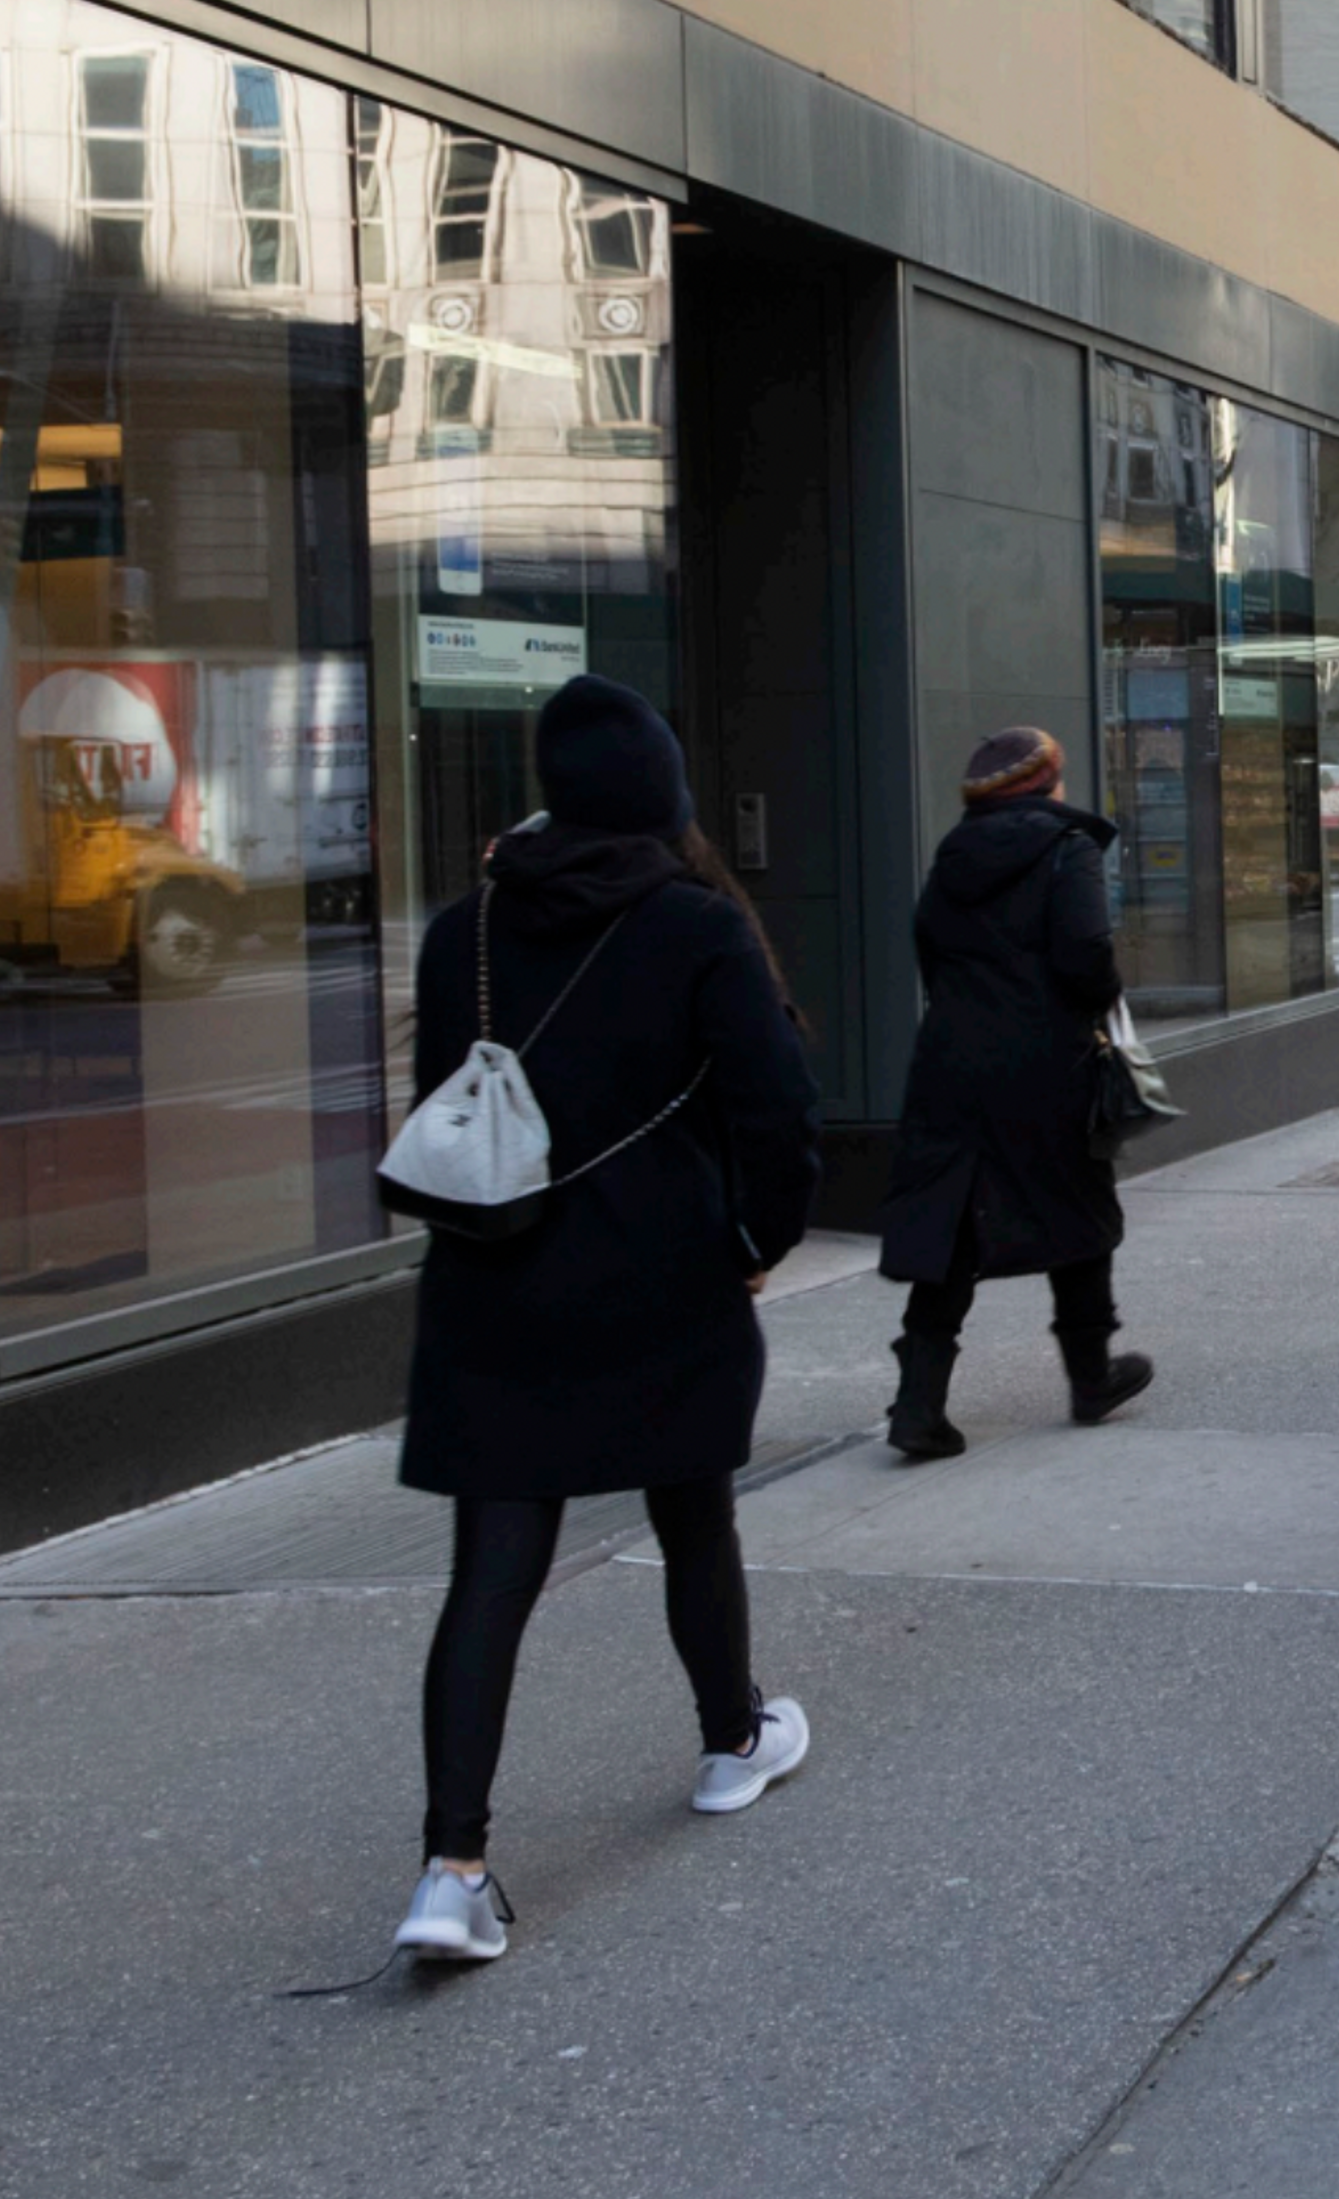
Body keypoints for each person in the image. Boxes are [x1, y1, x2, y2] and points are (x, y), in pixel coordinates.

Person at [392, 676, 822, 1967]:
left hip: (495, 1288)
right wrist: (757, 1244)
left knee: (491, 1572)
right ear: (662, 797)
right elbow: (780, 1112)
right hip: (661, 1280)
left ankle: (451, 1867)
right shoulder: (696, 925)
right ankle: (733, 1737)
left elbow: (443, 1107)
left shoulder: (464, 929)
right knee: (695, 1514)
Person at [876, 727, 1154, 1458]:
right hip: (1043, 1058)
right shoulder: (1069, 849)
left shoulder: (952, 856)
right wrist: (1099, 1004)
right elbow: (1086, 951)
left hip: (952, 1059)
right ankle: (1091, 1375)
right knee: (1079, 1205)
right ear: (1048, 783)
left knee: (953, 1224)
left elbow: (929, 948)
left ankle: (918, 1403)